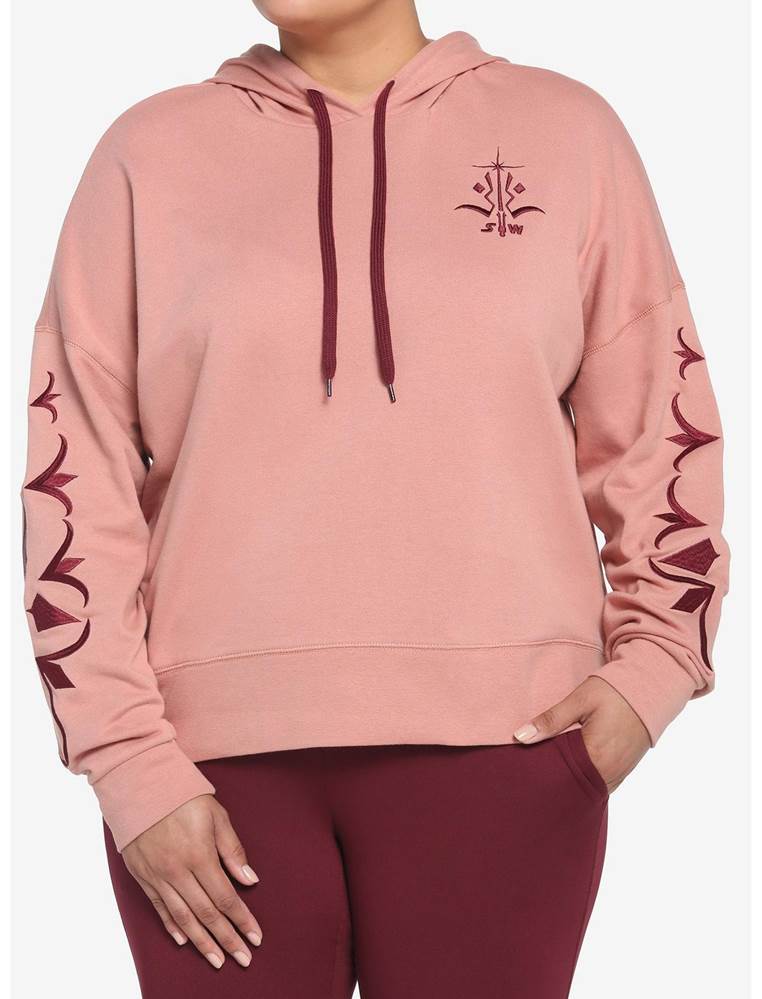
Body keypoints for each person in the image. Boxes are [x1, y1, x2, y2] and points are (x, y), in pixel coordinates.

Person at [21, 0, 728, 995]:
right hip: (205, 781)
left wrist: (649, 675)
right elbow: (75, 475)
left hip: (506, 753)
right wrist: (127, 761)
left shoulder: (569, 136)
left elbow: (661, 433)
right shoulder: (147, 155)